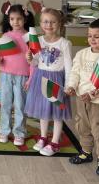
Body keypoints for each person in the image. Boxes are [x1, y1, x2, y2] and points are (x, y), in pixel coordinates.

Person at [66, 18, 99, 176]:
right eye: (89, 36)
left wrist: (93, 93)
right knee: (82, 126)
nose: (92, 39)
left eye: (97, 36)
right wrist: (71, 86)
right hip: (81, 98)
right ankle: (86, 152)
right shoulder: (81, 54)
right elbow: (75, 72)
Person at [24, 8, 72, 156]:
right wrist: (30, 59)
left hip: (57, 79)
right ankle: (43, 137)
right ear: (40, 24)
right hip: (40, 77)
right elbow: (36, 62)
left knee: (57, 113)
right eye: (45, 22)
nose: (49, 25)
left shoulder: (65, 43)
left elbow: (69, 65)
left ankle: (55, 142)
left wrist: (68, 85)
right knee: (42, 110)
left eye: (53, 22)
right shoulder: (38, 40)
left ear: (59, 24)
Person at [0, 3, 35, 146]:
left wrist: (30, 78)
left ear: (25, 19)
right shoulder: (5, 35)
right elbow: (0, 56)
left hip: (22, 76)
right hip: (5, 75)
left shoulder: (29, 37)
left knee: (20, 105)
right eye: (12, 19)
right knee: (5, 104)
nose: (15, 22)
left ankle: (19, 133)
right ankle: (4, 131)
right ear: (8, 19)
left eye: (19, 19)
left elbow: (34, 60)